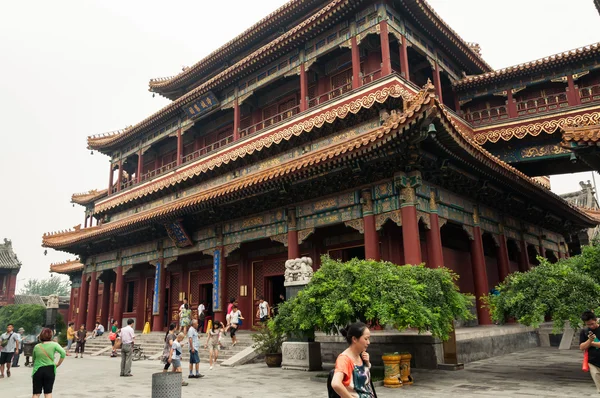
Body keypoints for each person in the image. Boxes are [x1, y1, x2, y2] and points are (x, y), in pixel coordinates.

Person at [330, 322, 376, 398]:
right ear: (354, 339)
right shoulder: (344, 359)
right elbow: (336, 383)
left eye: (369, 339)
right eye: (366, 339)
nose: (368, 342)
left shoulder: (361, 355)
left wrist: (367, 363)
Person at [31, 327, 66, 398]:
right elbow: (63, 353)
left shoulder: (37, 346)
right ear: (51, 336)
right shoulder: (54, 344)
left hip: (38, 370)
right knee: (48, 393)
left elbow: (34, 359)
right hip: (50, 370)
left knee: (36, 393)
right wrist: (58, 364)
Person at [580, 310, 600, 392]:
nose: (591, 326)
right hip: (593, 363)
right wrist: (590, 340)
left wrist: (590, 343)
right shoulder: (584, 332)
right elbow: (581, 347)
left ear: (596, 320)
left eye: (592, 323)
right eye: (588, 324)